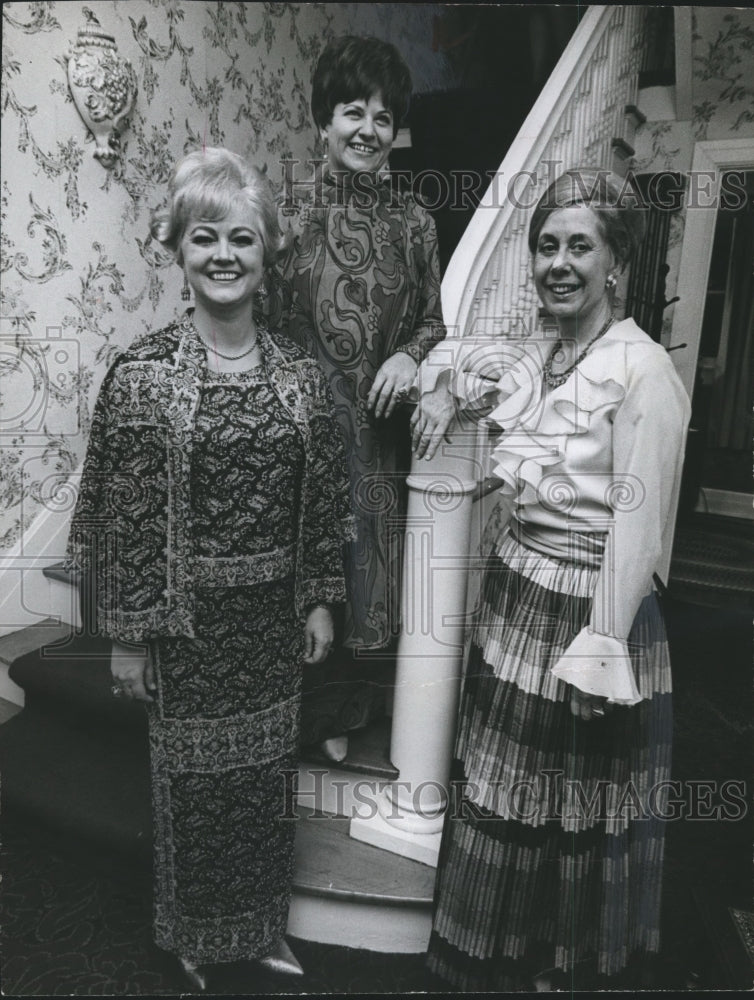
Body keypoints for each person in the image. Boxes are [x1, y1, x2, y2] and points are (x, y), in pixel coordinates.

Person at [67, 148, 352, 991]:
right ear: (178, 250)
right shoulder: (142, 377)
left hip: (270, 631)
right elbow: (115, 517)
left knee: (264, 790)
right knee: (191, 792)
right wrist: (126, 639)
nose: (223, 255)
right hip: (184, 631)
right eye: (204, 238)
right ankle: (192, 936)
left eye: (241, 238)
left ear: (267, 255)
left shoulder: (303, 376)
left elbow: (326, 499)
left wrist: (319, 600)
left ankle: (263, 931)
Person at [417, 168, 691, 990]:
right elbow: (476, 380)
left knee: (570, 798)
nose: (558, 263)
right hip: (518, 587)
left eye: (580, 246)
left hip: (586, 602)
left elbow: (639, 531)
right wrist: (439, 386)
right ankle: (495, 942)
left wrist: (603, 644)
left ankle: (554, 961)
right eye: (546, 246)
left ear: (616, 265)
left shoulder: (643, 372)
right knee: (508, 783)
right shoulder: (545, 352)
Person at [273, 35, 446, 760]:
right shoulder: (286, 214)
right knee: (290, 572)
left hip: (374, 439)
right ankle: (278, 712)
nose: (368, 130)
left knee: (357, 576)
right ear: (323, 121)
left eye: (382, 117)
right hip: (295, 434)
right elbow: (255, 322)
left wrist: (410, 355)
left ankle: (338, 712)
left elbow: (436, 321)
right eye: (353, 112)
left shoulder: (415, 224)